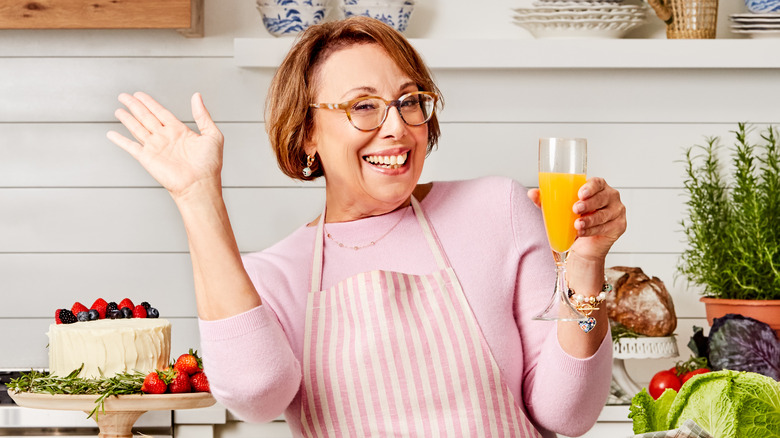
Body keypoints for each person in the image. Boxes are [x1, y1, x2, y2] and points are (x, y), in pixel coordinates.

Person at [108, 16, 626, 438]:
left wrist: (584, 267)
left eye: (409, 101)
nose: (396, 127)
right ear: (307, 133)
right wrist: (198, 197)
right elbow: (255, 394)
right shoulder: (273, 277)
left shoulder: (500, 209)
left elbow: (567, 413)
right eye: (363, 107)